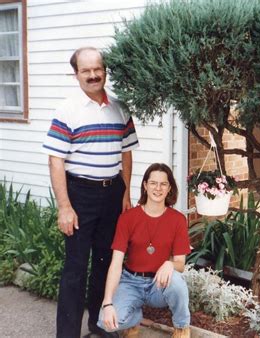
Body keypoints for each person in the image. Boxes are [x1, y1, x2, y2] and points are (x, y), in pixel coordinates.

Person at [42, 47, 139, 338]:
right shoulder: (67, 110)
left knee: (104, 262)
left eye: (98, 69)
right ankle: (68, 333)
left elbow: (126, 153)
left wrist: (125, 194)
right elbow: (55, 159)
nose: (94, 75)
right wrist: (64, 207)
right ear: (76, 74)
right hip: (80, 195)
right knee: (75, 267)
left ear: (104, 71)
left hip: (112, 194)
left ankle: (97, 323)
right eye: (86, 71)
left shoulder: (120, 108)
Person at [97, 163, 191, 338]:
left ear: (169, 188)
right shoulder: (127, 218)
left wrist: (169, 264)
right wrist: (107, 303)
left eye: (163, 184)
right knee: (106, 323)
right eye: (153, 183)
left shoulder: (177, 220)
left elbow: (181, 264)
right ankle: (135, 318)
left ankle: (182, 327)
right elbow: (116, 264)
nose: (158, 188)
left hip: (158, 284)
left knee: (177, 283)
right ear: (145, 185)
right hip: (131, 282)